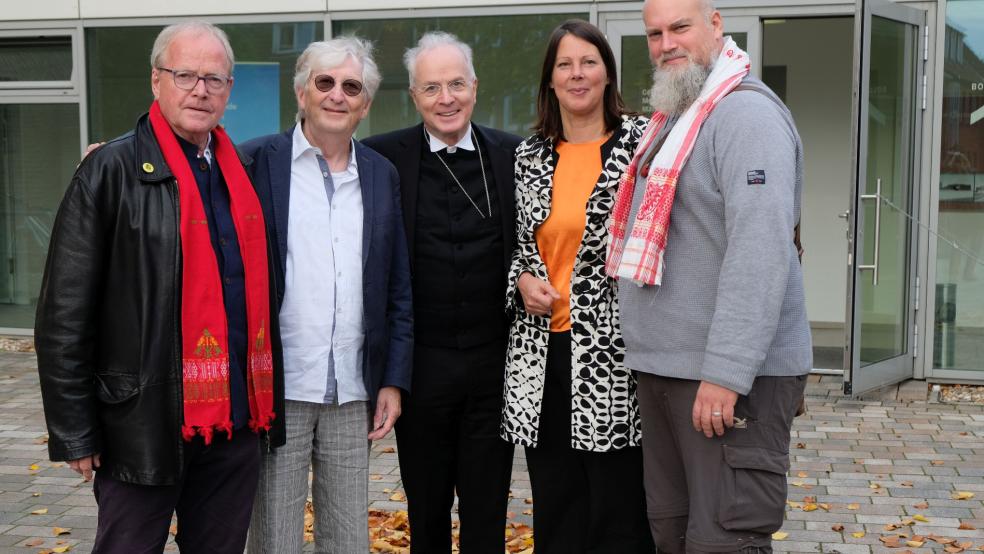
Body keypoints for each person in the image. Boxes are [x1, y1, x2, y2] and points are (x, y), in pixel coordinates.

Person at [35, 21, 282, 553]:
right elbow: (63, 313)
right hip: (140, 424)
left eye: (214, 79)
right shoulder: (109, 169)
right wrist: (75, 430)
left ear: (229, 90)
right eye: (185, 75)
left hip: (234, 421)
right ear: (156, 80)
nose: (200, 90)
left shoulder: (240, 168)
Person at [607, 0, 812, 551]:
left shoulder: (744, 116)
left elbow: (760, 249)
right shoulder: (677, 117)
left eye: (680, 27)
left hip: (722, 381)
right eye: (654, 33)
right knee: (673, 532)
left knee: (724, 539)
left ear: (716, 24)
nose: (666, 43)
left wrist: (726, 372)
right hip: (668, 370)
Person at [241, 37, 413, 554]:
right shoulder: (255, 163)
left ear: (365, 104)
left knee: (347, 538)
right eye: (325, 83)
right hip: (280, 384)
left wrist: (393, 379)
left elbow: (398, 287)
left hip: (352, 388)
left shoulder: (381, 175)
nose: (337, 95)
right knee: (275, 537)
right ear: (301, 92)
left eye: (351, 87)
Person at [362, 32, 519, 553]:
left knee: (488, 506)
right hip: (421, 367)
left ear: (474, 87)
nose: (445, 98)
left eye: (455, 84)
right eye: (431, 88)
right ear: (414, 96)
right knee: (425, 508)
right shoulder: (381, 158)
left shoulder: (515, 156)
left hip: (495, 362)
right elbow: (292, 157)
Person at [501, 19, 654, 554]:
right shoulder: (530, 155)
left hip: (615, 352)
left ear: (609, 75)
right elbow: (522, 244)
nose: (577, 73)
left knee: (618, 510)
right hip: (543, 353)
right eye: (564, 64)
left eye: (589, 62)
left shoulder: (643, 145)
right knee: (557, 504)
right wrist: (521, 279)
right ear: (549, 81)